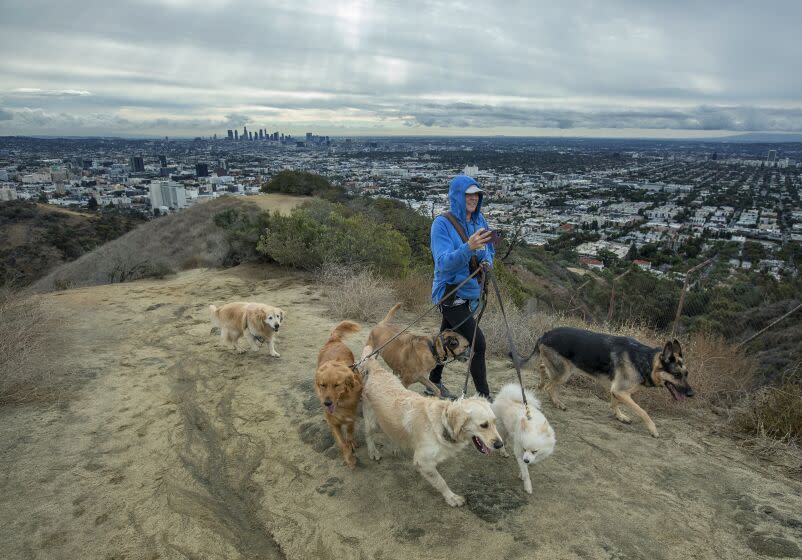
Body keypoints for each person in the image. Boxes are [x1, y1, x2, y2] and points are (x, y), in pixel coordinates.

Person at [427, 175, 495, 399]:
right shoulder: (442, 224)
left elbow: (490, 250)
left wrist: (487, 262)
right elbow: (443, 264)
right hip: (450, 294)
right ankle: (484, 398)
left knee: (444, 339)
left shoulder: (480, 220)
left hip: (470, 292)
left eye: (476, 194)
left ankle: (433, 382)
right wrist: (468, 248)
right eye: (468, 194)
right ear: (457, 196)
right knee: (478, 343)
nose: (473, 198)